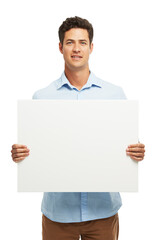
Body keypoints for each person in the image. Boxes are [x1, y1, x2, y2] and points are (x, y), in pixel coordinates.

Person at [11, 16, 145, 240]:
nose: (76, 48)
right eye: (70, 42)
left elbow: (125, 147)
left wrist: (137, 152)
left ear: (91, 47)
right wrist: (20, 154)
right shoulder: (42, 97)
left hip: (103, 211)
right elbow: (34, 151)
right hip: (58, 214)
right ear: (60, 47)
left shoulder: (115, 95)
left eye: (82, 42)